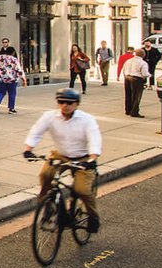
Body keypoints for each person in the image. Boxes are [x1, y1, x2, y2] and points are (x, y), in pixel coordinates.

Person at [23, 88, 103, 233]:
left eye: (69, 102)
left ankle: (93, 216)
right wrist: (28, 149)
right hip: (61, 154)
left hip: (83, 158)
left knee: (82, 190)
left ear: (77, 104)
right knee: (46, 175)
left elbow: (94, 139)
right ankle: (49, 206)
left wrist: (92, 159)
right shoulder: (50, 116)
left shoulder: (86, 120)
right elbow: (37, 131)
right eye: (61, 102)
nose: (64, 105)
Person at [0, 45, 25, 114]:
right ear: (13, 52)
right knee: (12, 93)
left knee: (1, 91)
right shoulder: (14, 59)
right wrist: (23, 78)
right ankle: (11, 109)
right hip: (11, 79)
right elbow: (18, 69)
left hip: (0, 77)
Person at [121, 48, 151, 117]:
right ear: (143, 55)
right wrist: (150, 75)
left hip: (127, 77)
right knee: (136, 96)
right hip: (136, 79)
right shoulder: (143, 63)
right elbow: (145, 74)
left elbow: (124, 69)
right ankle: (134, 111)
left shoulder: (128, 61)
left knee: (128, 94)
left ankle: (128, 110)